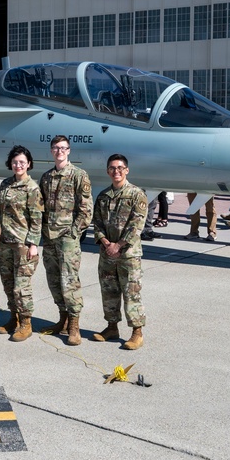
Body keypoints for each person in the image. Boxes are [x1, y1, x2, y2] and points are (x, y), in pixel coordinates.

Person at [39, 135, 93, 346]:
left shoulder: (79, 175)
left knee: (70, 282)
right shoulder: (46, 177)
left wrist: (73, 233)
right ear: (52, 151)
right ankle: (62, 318)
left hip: (67, 238)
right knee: (53, 280)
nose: (59, 151)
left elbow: (86, 209)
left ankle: (74, 325)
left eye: (63, 148)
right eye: (55, 148)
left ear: (69, 150)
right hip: (49, 237)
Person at [91, 155, 149, 350]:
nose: (116, 171)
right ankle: (112, 327)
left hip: (128, 254)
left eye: (120, 168)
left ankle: (137, 332)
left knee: (131, 293)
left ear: (127, 170)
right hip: (107, 253)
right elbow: (97, 223)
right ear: (108, 171)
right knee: (109, 292)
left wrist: (119, 245)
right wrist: (107, 243)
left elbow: (136, 225)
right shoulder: (103, 196)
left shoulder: (136, 194)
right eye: (112, 168)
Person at [0, 146, 44, 341]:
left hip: (23, 243)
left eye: (22, 162)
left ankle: (26, 323)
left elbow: (36, 218)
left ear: (29, 164)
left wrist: (33, 244)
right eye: (15, 162)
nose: (18, 165)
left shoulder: (32, 188)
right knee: (8, 283)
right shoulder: (6, 184)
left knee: (21, 286)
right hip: (5, 242)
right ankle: (13, 318)